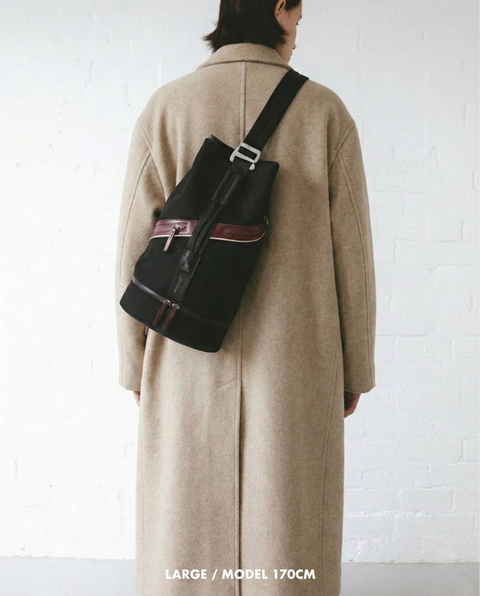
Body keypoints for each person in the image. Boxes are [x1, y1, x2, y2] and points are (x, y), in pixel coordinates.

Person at [115, 0, 376, 594]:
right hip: (296, 362)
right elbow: (353, 256)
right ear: (281, 8)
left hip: (183, 352)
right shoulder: (324, 112)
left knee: (184, 522)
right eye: (299, 19)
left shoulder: (167, 108)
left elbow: (133, 249)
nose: (297, 34)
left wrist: (135, 363)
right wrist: (354, 366)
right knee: (289, 520)